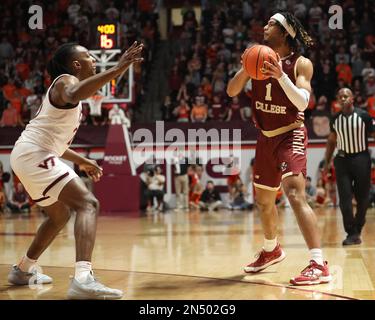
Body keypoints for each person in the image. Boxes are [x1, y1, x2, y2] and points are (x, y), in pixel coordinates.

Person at [8, 41, 143, 299]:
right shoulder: (65, 81)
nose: (94, 60)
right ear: (76, 65)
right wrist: (118, 68)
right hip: (33, 153)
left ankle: (23, 269)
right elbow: (74, 94)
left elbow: (53, 141)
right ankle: (83, 278)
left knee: (59, 216)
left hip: (29, 153)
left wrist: (81, 160)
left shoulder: (66, 89)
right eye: (89, 56)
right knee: (87, 204)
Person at [227, 12, 331, 285]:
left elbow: (302, 103)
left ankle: (318, 263)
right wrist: (245, 68)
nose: (265, 26)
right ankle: (272, 249)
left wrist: (281, 75)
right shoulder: (258, 57)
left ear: (285, 33)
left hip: (290, 135)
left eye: (271, 24)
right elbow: (231, 91)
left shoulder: (301, 63)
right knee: (263, 202)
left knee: (295, 195)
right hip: (265, 138)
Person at [324, 88, 374, 246]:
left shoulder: (364, 116)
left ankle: (358, 227)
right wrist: (326, 163)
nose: (343, 98)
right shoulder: (335, 119)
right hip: (342, 160)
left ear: (352, 99)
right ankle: (351, 232)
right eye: (340, 96)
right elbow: (332, 141)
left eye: (346, 96)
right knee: (344, 200)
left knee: (363, 199)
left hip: (361, 159)